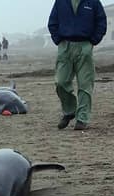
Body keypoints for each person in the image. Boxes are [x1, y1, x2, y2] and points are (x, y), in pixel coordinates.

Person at [48, 0, 107, 130]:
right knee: (61, 82)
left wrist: (93, 40)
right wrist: (58, 40)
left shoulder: (93, 2)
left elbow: (101, 22)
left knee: (85, 84)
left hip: (85, 45)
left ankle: (82, 118)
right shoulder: (60, 2)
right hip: (65, 46)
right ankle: (70, 111)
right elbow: (52, 22)